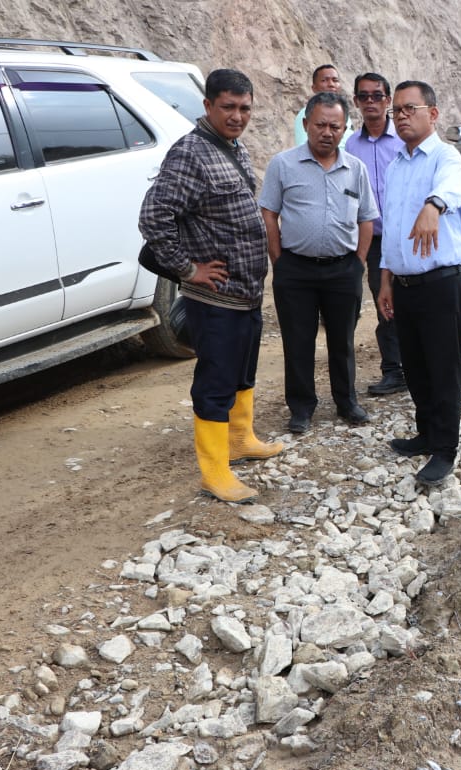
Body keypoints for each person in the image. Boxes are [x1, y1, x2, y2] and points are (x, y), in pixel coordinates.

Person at [139, 69, 279, 504]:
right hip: (214, 296)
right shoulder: (191, 154)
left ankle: (241, 439)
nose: (238, 116)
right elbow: (153, 217)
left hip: (245, 293)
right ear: (208, 107)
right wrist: (188, 269)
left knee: (242, 370)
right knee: (216, 379)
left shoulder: (232, 147)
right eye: (228, 107)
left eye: (245, 108)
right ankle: (215, 473)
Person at [261, 91, 378, 434]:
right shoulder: (283, 164)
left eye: (335, 126)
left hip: (343, 268)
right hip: (295, 269)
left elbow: (367, 218)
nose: (328, 132)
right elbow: (269, 213)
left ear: (344, 129)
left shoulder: (355, 169)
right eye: (321, 125)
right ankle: (301, 408)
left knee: (342, 340)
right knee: (298, 341)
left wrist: (358, 263)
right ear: (306, 124)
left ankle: (347, 402)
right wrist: (279, 260)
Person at [376, 81, 461, 486]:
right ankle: (426, 433)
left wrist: (434, 205)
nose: (400, 116)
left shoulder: (446, 158)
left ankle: (445, 448)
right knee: (414, 366)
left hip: (440, 282)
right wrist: (385, 280)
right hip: (404, 284)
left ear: (432, 113)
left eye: (409, 108)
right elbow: (393, 229)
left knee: (442, 367)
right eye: (396, 110)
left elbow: (453, 188)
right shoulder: (396, 164)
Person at [345, 72, 407, 396]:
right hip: (372, 239)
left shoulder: (404, 139)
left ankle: (443, 363)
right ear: (356, 102)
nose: (371, 102)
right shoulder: (350, 145)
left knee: (422, 297)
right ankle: (393, 370)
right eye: (364, 96)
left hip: (408, 235)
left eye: (377, 96)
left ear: (388, 100)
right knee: (385, 302)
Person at [293, 65, 352, 147]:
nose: (331, 84)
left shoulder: (344, 114)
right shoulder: (307, 113)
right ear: (314, 88)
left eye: (335, 80)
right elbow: (304, 148)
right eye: (324, 80)